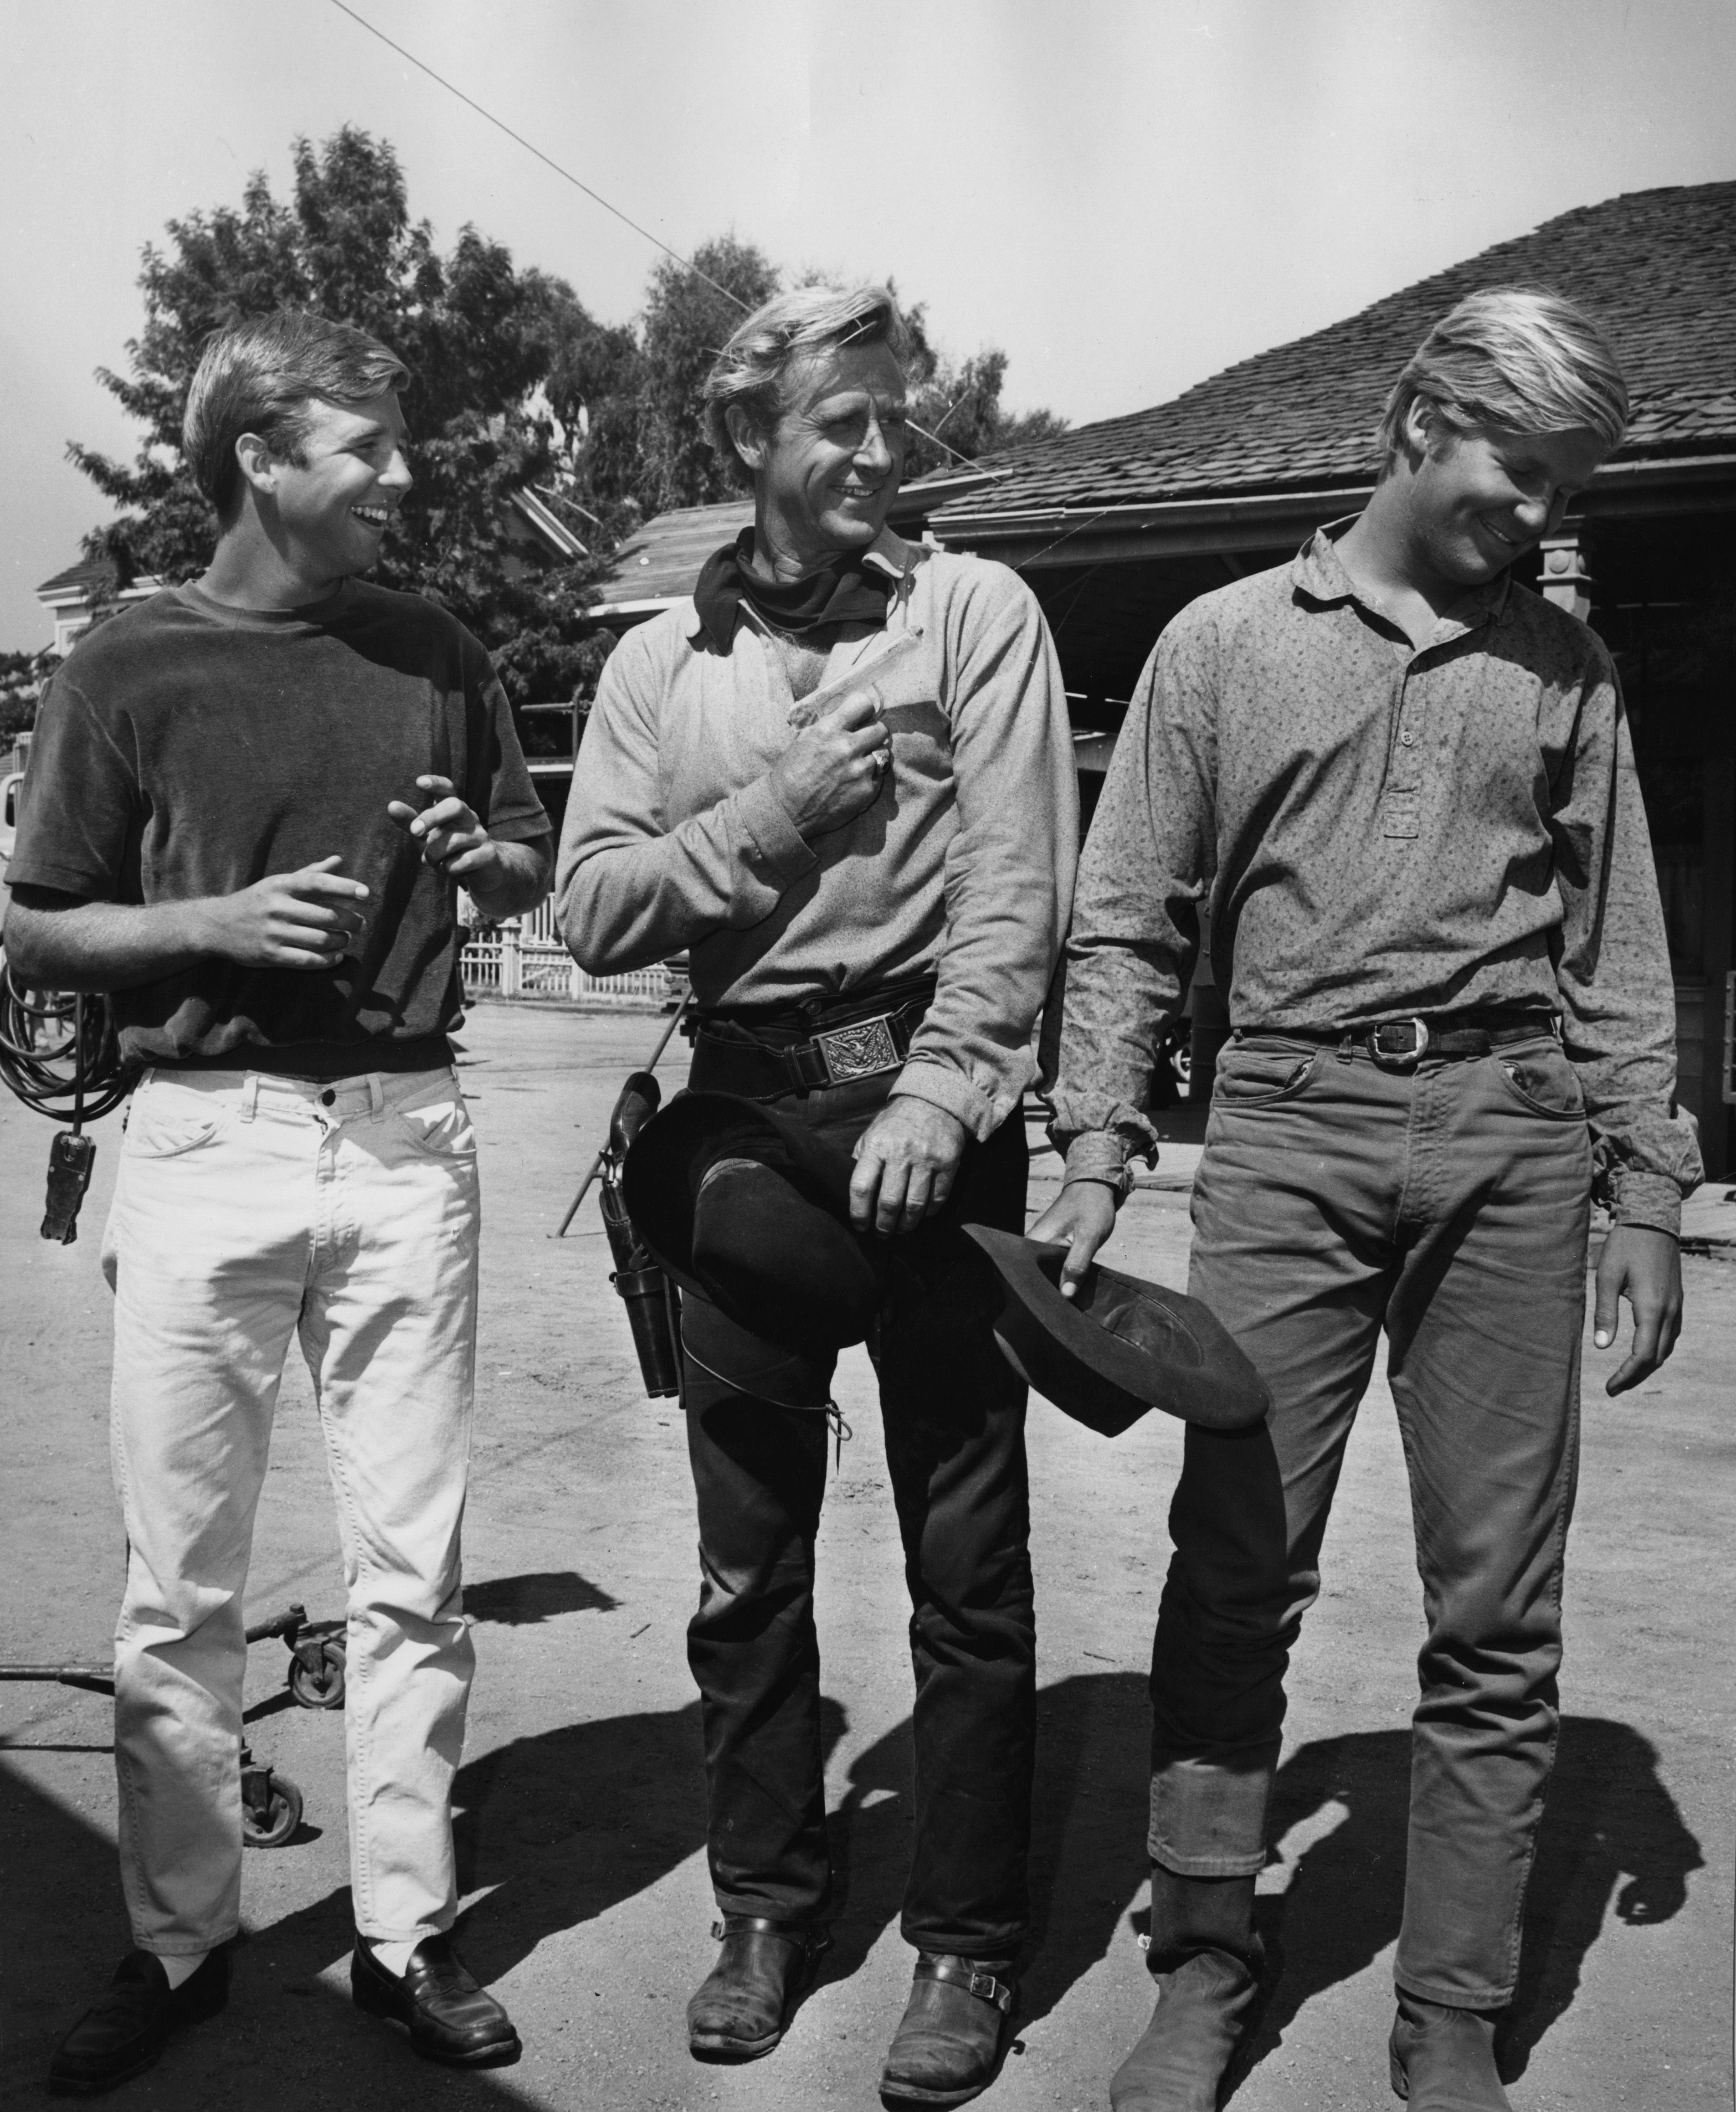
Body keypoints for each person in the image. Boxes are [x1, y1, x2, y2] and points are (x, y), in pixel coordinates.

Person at [1032, 289, 1700, 2112]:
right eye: (1516, 472)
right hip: (1284, 1128)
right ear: (1415, 424)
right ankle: (1203, 1957)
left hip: (1508, 1134)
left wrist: (1644, 1185)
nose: (1540, 517)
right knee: (1236, 1568)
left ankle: (1455, 2008)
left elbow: (1610, 949)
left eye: (1565, 488)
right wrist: (1096, 1140)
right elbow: (1128, 918)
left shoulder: (1565, 672)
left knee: (1496, 1602)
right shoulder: (1222, 645)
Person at [7, 311, 552, 2095]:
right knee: (183, 1592)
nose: (403, 475)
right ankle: (180, 1949)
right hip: (202, 1142)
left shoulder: (436, 648)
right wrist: (205, 931)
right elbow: (32, 917)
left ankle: (402, 1936)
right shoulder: (127, 665)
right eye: (366, 446)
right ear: (257, 457)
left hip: (407, 1145)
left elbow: (525, 843)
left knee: (412, 1571)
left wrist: (496, 863)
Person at [557, 283, 1077, 2105]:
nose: (879, 449)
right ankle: (764, 1908)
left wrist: (948, 1083)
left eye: (892, 414)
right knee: (744, 1572)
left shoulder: (972, 615)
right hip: (734, 1151)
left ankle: (964, 1945)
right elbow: (594, 910)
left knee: (966, 1570)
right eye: (839, 420)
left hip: (930, 1139)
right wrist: (775, 808)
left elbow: (1020, 888)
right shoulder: (651, 665)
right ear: (751, 442)